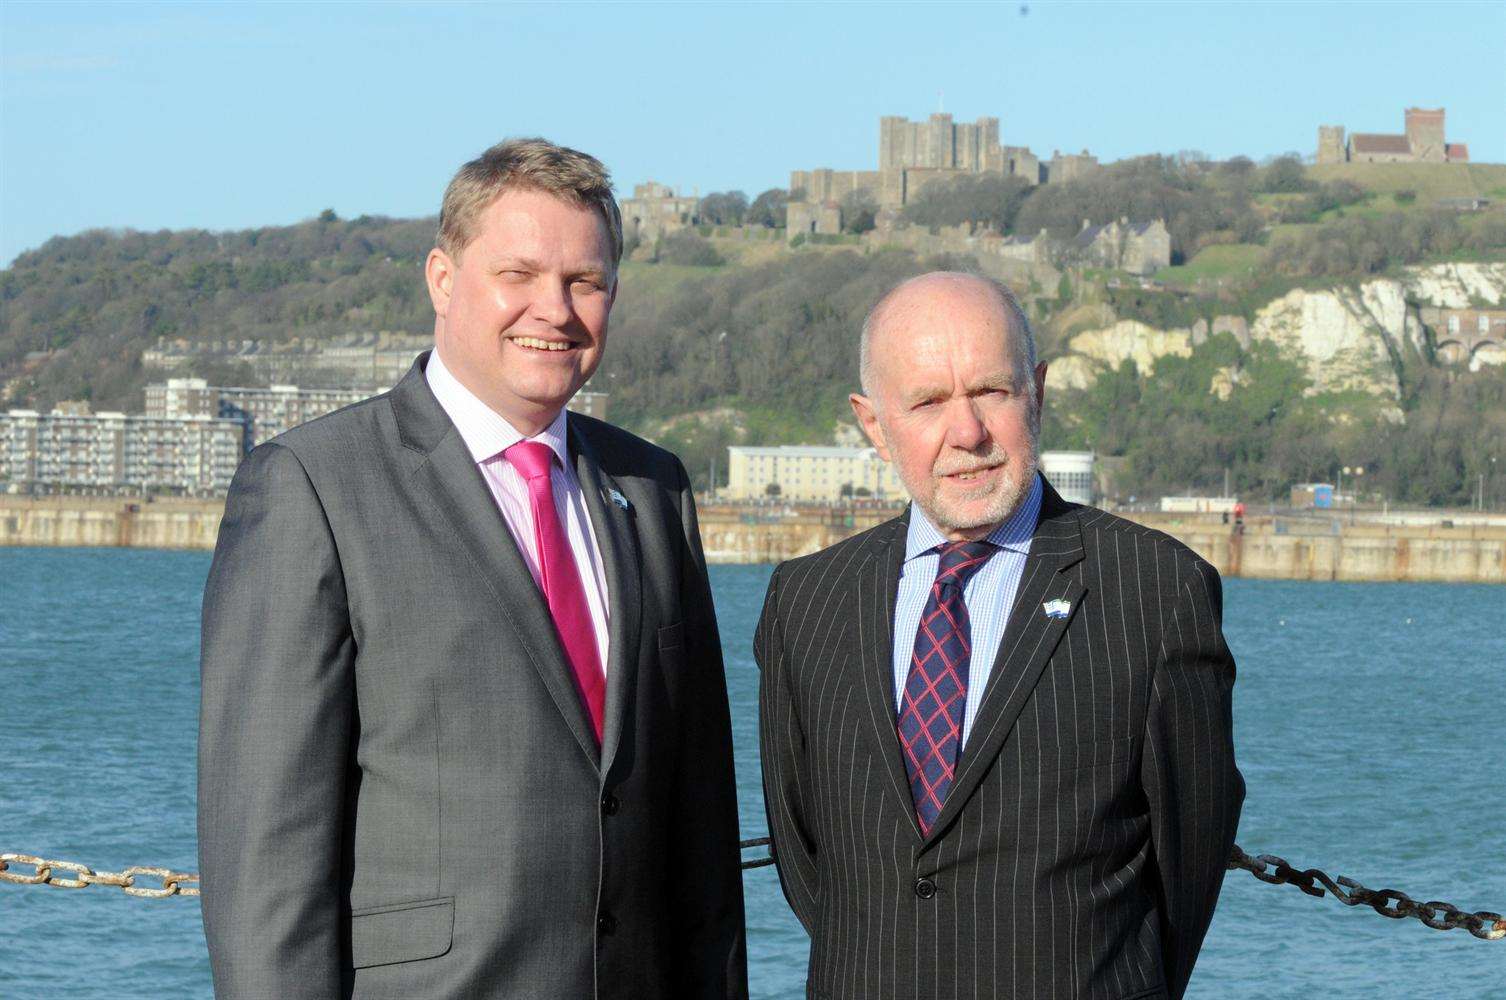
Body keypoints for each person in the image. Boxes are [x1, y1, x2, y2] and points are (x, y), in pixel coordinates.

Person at [199, 138, 747, 999]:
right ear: (443, 281)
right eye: (519, 275)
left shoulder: (653, 490)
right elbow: (266, 856)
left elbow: (701, 831)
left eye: (585, 282)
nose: (554, 310)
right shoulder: (315, 487)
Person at [756, 272, 1243, 1000]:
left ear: (1037, 392)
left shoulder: (1156, 591)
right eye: (926, 401)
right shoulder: (808, 601)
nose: (968, 432)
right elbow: (806, 861)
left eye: (992, 391)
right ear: (874, 425)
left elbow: (1190, 860)